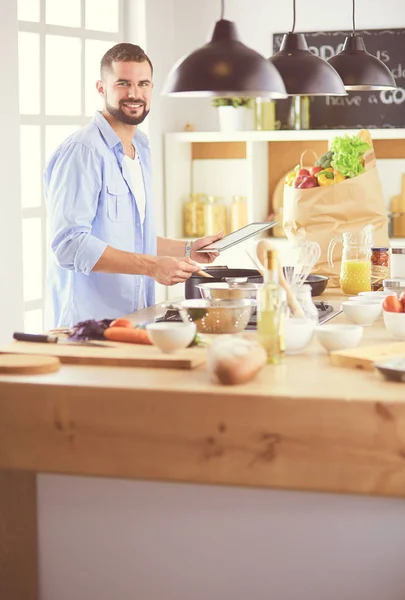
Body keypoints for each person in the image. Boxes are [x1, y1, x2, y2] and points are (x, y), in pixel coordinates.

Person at [44, 42, 222, 328]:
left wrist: (187, 249)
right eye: (123, 83)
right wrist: (153, 266)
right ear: (101, 88)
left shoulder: (141, 148)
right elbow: (69, 244)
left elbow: (129, 239)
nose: (134, 94)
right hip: (88, 327)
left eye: (142, 83)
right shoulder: (84, 151)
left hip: (134, 320)